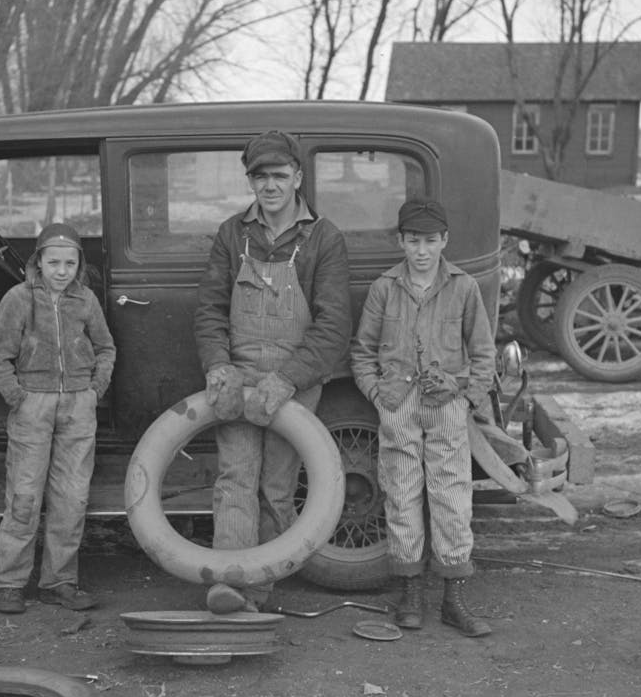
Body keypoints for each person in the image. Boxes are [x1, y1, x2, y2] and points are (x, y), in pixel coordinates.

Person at [194, 130, 352, 614]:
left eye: (279, 175)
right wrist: (218, 366)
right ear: (250, 180)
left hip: (293, 384)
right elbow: (209, 310)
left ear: (298, 177)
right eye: (259, 176)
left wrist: (288, 379)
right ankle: (228, 585)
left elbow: (333, 324)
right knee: (235, 478)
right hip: (238, 378)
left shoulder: (324, 238)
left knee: (277, 487)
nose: (269, 185)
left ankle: (260, 590)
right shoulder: (232, 234)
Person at [350, 196, 496, 637]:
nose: (421, 251)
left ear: (444, 241)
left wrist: (467, 398)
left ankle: (453, 598)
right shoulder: (383, 288)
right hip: (398, 405)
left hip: (446, 405)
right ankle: (410, 591)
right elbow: (361, 353)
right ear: (401, 241)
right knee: (401, 492)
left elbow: (485, 353)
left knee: (452, 495)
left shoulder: (464, 288)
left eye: (430, 241)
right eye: (413, 241)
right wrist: (377, 393)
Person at [0, 223, 116, 615]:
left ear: (79, 265)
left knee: (72, 498)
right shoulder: (17, 299)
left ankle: (59, 581)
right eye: (53, 262)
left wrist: (94, 391)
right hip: (33, 407)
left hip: (78, 407)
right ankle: (10, 583)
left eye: (70, 263)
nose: (62, 270)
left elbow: (106, 348)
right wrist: (17, 398)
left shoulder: (87, 301)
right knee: (24, 495)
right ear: (38, 261)